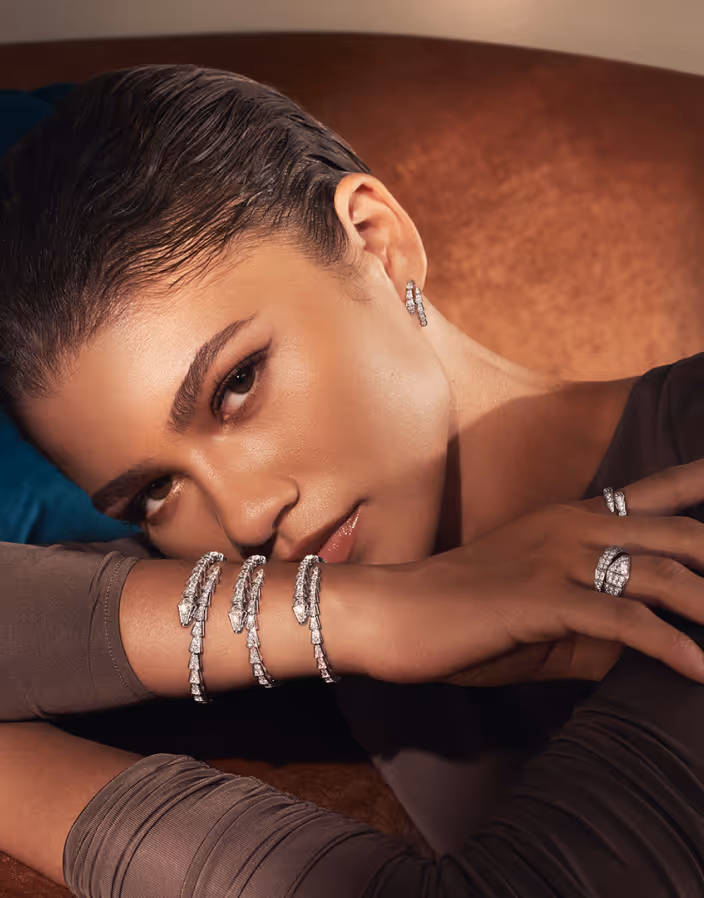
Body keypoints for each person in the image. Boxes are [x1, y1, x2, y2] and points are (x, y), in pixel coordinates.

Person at [2, 63, 704, 895]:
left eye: (237, 382)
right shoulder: (274, 625)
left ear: (375, 240)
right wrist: (371, 612)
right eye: (155, 490)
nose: (247, 514)